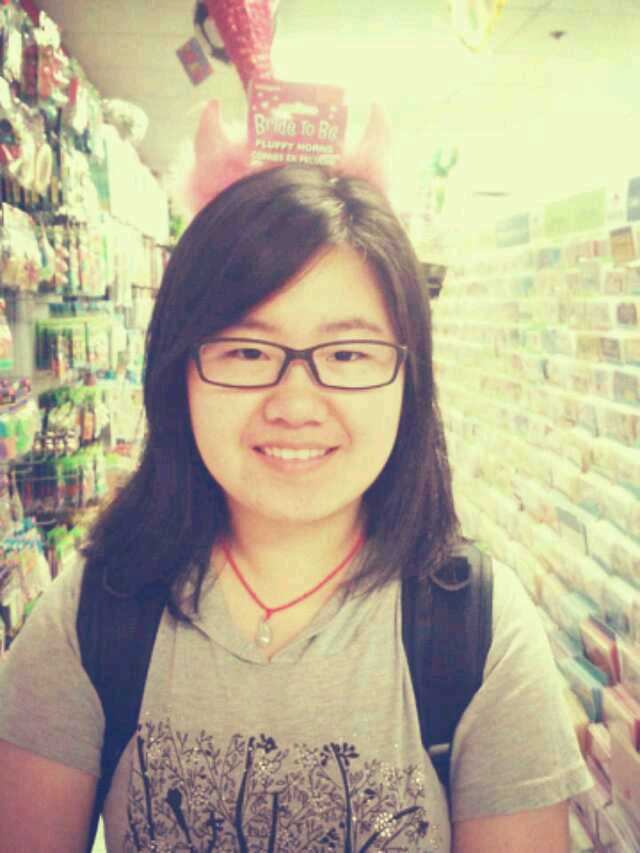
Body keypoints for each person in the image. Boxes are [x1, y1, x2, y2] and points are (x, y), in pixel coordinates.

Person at [0, 163, 592, 852]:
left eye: (348, 354)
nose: (296, 404)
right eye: (249, 350)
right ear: (177, 371)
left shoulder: (481, 633)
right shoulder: (93, 609)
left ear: (410, 378)